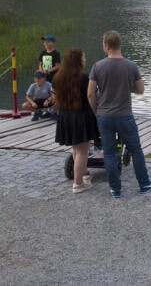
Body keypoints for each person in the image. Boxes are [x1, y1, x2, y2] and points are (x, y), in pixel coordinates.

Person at [87, 30, 151, 198]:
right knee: (136, 150)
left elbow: (90, 94)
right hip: (125, 115)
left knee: (109, 153)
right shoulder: (131, 66)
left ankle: (115, 189)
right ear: (119, 45)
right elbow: (140, 90)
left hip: (104, 116)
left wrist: (96, 112)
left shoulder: (97, 66)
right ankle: (144, 184)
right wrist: (126, 86)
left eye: (103, 45)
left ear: (106, 46)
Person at [53, 48, 100, 194]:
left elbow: (55, 98)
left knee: (75, 148)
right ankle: (78, 184)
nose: (85, 60)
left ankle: (83, 174)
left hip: (66, 116)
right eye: (83, 58)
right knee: (83, 150)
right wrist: (96, 111)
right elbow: (93, 96)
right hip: (81, 117)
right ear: (78, 62)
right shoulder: (85, 79)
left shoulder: (58, 78)